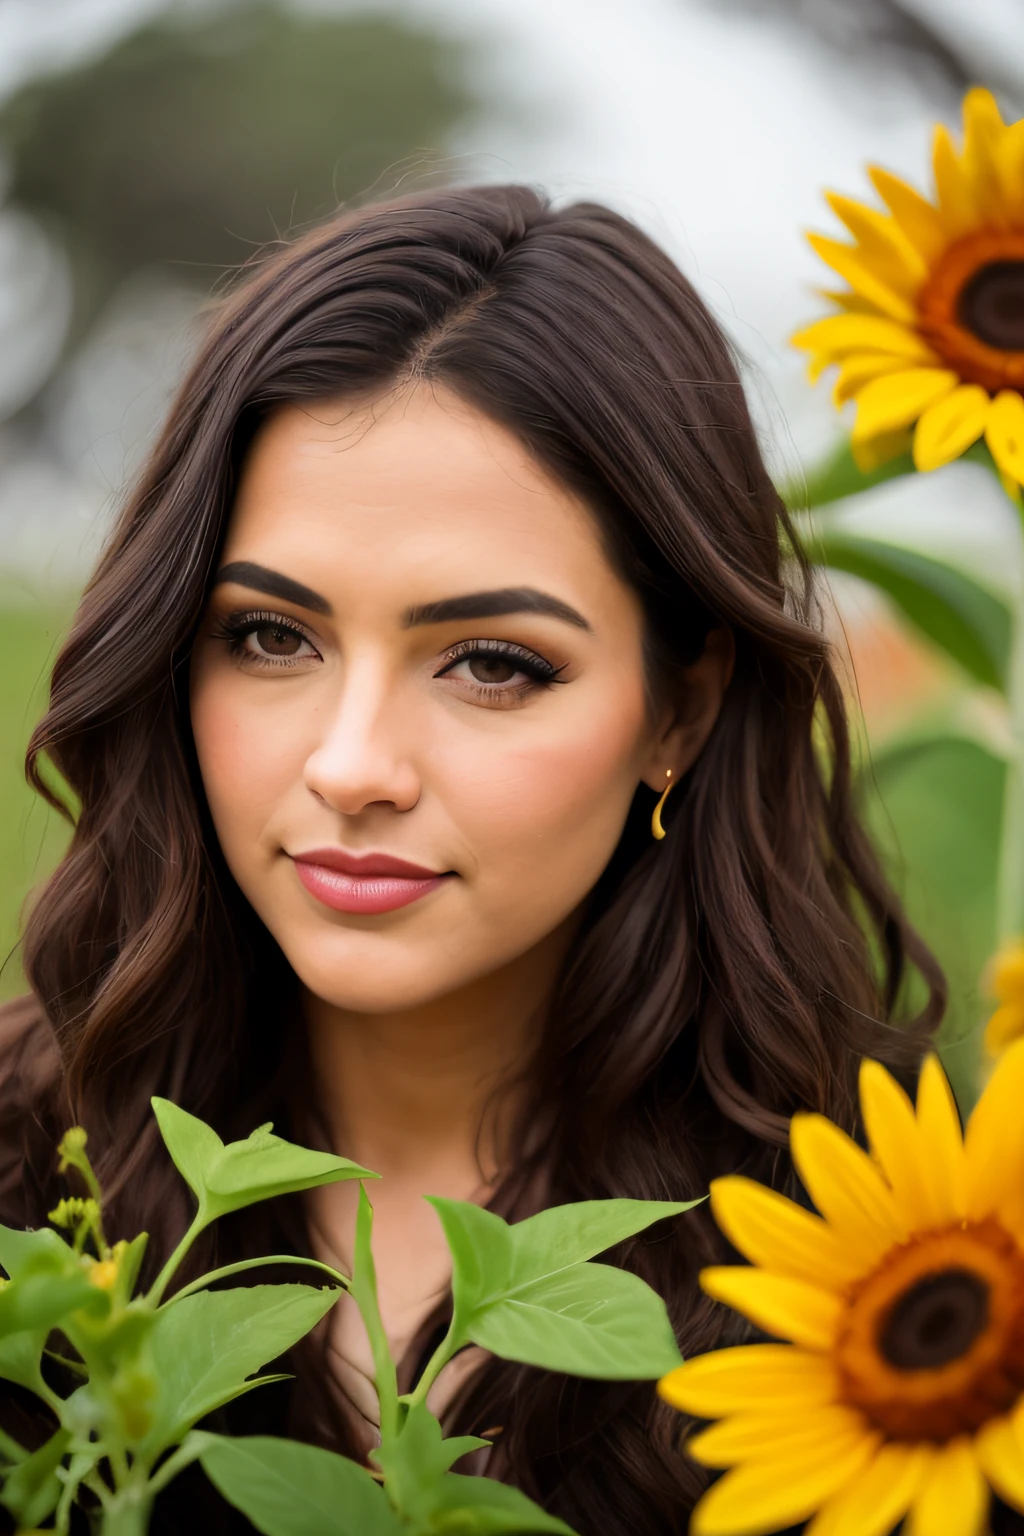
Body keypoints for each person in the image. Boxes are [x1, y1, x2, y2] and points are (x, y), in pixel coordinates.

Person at [0, 184, 943, 1534]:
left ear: (678, 711)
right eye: (272, 635)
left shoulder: (907, 1286)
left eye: (493, 664)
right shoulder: (25, 1182)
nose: (353, 765)